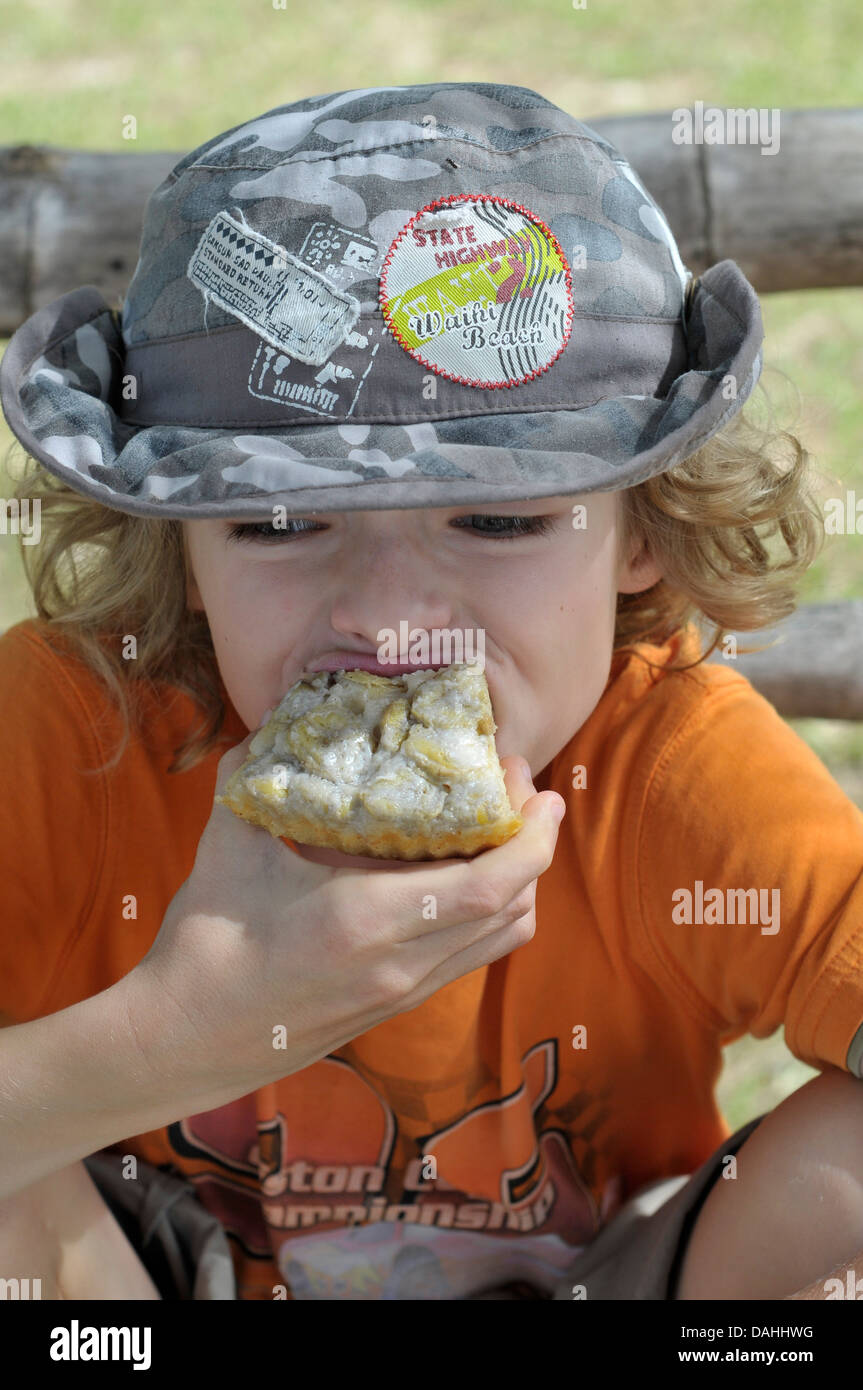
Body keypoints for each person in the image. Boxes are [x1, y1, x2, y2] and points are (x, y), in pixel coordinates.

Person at [1, 82, 862, 1303]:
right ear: (178, 556)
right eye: (281, 522)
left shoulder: (672, 770)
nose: (389, 618)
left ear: (640, 541)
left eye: (500, 518)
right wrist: (178, 1035)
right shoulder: (73, 731)